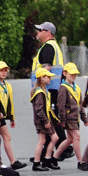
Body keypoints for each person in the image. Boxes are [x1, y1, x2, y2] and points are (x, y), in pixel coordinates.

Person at [31, 21, 67, 158]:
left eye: (40, 30)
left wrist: (39, 87)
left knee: (48, 118)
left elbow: (46, 69)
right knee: (50, 118)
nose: (37, 32)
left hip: (48, 89)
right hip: (52, 88)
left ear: (48, 33)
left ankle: (62, 148)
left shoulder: (48, 47)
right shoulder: (52, 46)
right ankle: (47, 151)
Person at [53, 63, 88, 170]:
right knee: (76, 136)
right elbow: (61, 106)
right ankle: (81, 161)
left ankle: (54, 157)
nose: (73, 76)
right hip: (68, 118)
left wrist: (84, 118)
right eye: (71, 74)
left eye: (75, 74)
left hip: (75, 118)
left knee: (69, 139)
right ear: (64, 74)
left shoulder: (76, 88)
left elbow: (80, 105)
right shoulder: (63, 88)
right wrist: (63, 120)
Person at [0, 62, 26, 170]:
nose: (4, 73)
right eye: (1, 71)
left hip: (1, 116)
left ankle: (12, 162)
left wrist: (12, 117)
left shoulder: (7, 86)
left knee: (5, 137)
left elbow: (10, 102)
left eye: (5, 70)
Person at [30, 67, 60, 171]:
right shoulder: (40, 92)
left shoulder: (44, 91)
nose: (50, 79)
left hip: (45, 119)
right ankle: (37, 162)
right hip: (42, 120)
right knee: (43, 140)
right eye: (48, 77)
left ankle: (46, 160)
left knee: (52, 138)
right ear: (42, 78)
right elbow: (39, 109)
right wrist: (46, 121)